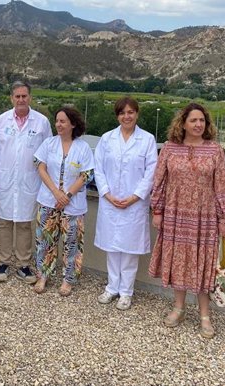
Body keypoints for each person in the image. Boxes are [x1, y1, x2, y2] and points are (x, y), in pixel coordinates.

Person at [148, 102, 225, 339]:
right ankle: (179, 308)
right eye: (193, 120)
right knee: (179, 261)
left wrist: (223, 218)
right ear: (182, 123)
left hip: (204, 217)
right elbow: (159, 182)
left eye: (202, 120)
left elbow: (222, 186)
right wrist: (158, 210)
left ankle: (205, 316)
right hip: (175, 214)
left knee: (201, 263)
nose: (198, 124)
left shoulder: (215, 150)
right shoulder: (170, 149)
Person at [94, 97, 157, 310]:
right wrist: (107, 193)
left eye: (130, 112)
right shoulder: (106, 138)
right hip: (110, 202)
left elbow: (151, 172)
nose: (126, 116)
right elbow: (98, 168)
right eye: (122, 113)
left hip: (134, 204)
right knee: (112, 247)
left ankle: (126, 292)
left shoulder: (147, 140)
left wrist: (135, 196)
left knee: (129, 250)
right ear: (117, 116)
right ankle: (112, 287)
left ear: (137, 114)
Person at [0, 81, 52, 283]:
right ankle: (3, 262)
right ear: (11, 98)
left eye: (24, 96)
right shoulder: (1, 121)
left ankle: (24, 264)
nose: (21, 100)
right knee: (5, 223)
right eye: (17, 96)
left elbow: (48, 153)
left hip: (30, 181)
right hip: (6, 180)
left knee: (25, 223)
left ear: (30, 98)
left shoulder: (41, 122)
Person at [32, 107, 94, 296]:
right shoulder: (49, 144)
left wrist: (66, 195)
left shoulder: (83, 147)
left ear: (73, 124)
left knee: (72, 242)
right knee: (45, 240)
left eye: (63, 121)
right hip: (48, 201)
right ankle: (43, 274)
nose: (58, 124)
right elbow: (40, 166)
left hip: (72, 204)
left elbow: (87, 174)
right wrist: (55, 192)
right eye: (57, 121)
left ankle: (68, 279)